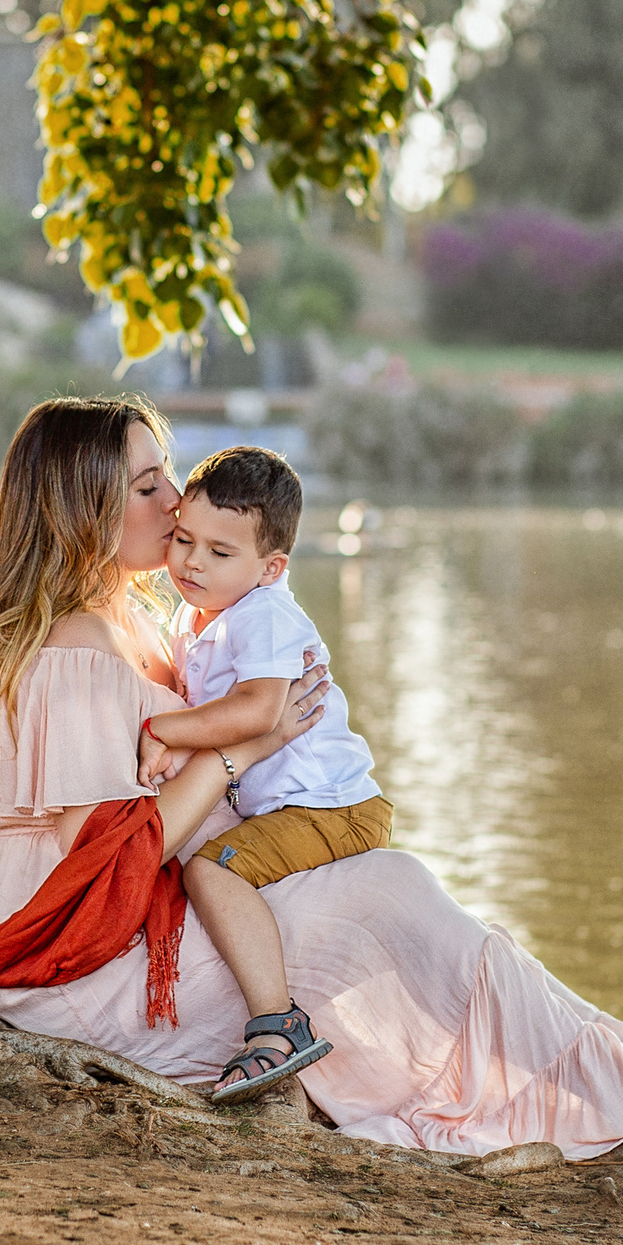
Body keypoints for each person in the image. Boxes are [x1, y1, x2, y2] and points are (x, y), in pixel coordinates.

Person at [0, 396, 623, 1157]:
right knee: (391, 890)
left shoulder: (142, 625)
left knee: (394, 894)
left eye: (166, 477)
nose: (174, 501)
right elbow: (108, 857)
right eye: (149, 484)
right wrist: (242, 748)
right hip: (89, 967)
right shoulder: (73, 651)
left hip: (163, 919)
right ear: (82, 506)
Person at [136, 445, 393, 1105]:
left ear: (271, 566)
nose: (192, 561)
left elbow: (258, 708)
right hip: (290, 806)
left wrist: (164, 731)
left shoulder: (265, 615)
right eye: (185, 539)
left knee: (210, 870)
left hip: (332, 807)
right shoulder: (195, 615)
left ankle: (279, 1025)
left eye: (221, 553)